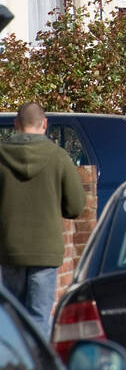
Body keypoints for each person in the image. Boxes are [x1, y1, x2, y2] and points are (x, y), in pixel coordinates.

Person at [0, 103, 85, 336]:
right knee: (39, 319)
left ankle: (14, 369)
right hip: (45, 251)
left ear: (16, 125)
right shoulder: (58, 157)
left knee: (11, 320)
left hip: (9, 250)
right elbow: (75, 207)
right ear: (45, 124)